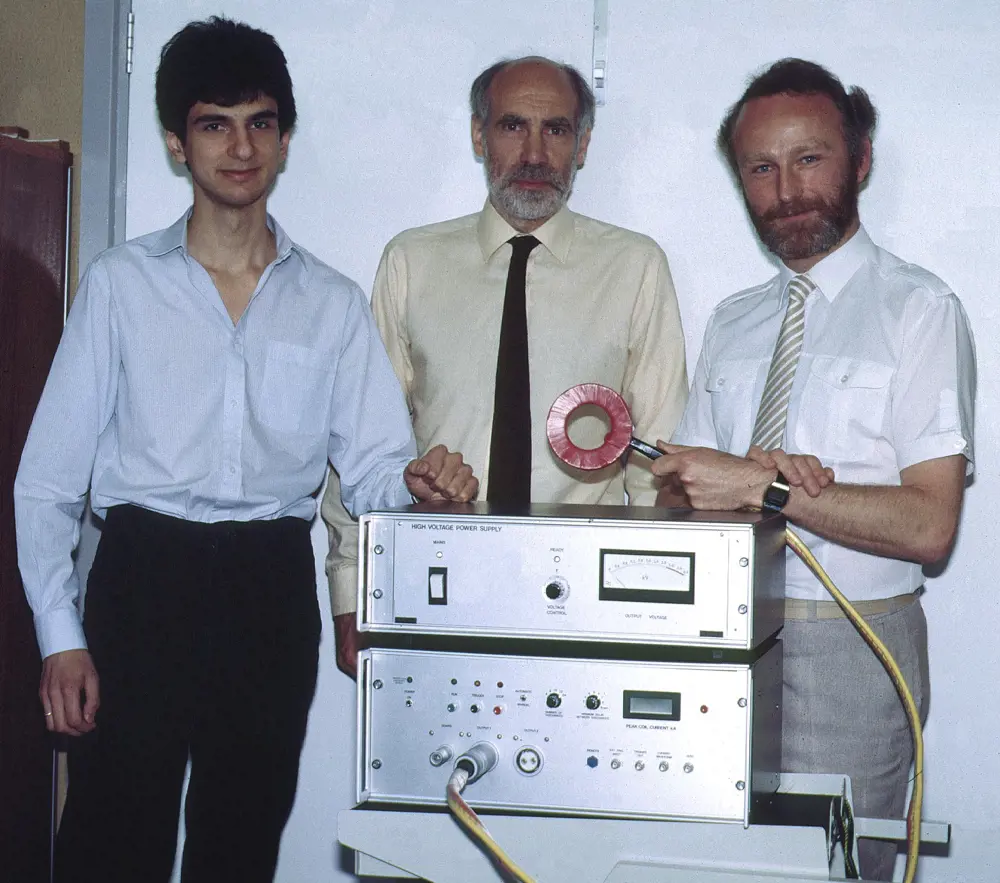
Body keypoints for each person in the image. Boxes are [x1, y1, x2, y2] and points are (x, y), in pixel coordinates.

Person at [14, 17, 477, 883]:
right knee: (112, 841)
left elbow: (376, 472)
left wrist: (421, 484)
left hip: (268, 590)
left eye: (260, 121)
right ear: (175, 142)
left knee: (241, 843)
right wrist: (60, 634)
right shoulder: (121, 285)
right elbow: (46, 483)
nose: (240, 146)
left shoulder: (332, 305)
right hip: (141, 579)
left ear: (286, 139)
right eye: (213, 123)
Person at [652, 59, 975, 880]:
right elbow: (683, 491)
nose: (787, 189)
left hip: (853, 654)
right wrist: (701, 483)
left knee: (837, 869)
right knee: (709, 864)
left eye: (809, 158)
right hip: (717, 639)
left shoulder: (919, 311)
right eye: (761, 168)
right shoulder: (732, 321)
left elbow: (932, 524)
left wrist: (768, 490)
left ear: (860, 159)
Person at [321, 56, 689, 676]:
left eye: (558, 130)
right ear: (477, 135)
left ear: (584, 144)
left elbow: (658, 465)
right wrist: (352, 590)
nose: (536, 153)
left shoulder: (635, 268)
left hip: (585, 602)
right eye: (513, 126)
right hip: (434, 589)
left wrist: (657, 608)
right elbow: (362, 450)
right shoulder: (411, 263)